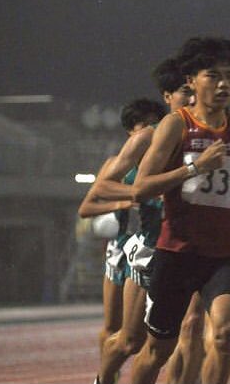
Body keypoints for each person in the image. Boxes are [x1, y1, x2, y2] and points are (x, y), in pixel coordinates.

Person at [129, 36, 230, 384]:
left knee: (226, 334)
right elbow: (141, 188)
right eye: (213, 76)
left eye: (229, 76)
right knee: (158, 350)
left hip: (223, 254)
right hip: (177, 253)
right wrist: (194, 168)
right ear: (191, 80)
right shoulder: (176, 125)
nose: (223, 85)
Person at [91, 61, 189, 384]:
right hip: (151, 246)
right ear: (167, 96)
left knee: (188, 337)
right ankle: (103, 380)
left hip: (194, 246)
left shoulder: (213, 133)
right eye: (185, 92)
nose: (192, 99)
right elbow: (100, 188)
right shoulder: (149, 136)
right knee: (131, 340)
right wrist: (143, 191)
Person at [78, 97, 167, 360]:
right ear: (131, 131)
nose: (151, 131)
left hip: (150, 245)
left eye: (155, 124)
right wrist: (127, 201)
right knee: (113, 326)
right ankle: (109, 372)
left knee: (151, 333)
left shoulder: (161, 161)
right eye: (145, 125)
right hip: (121, 248)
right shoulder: (116, 164)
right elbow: (86, 208)